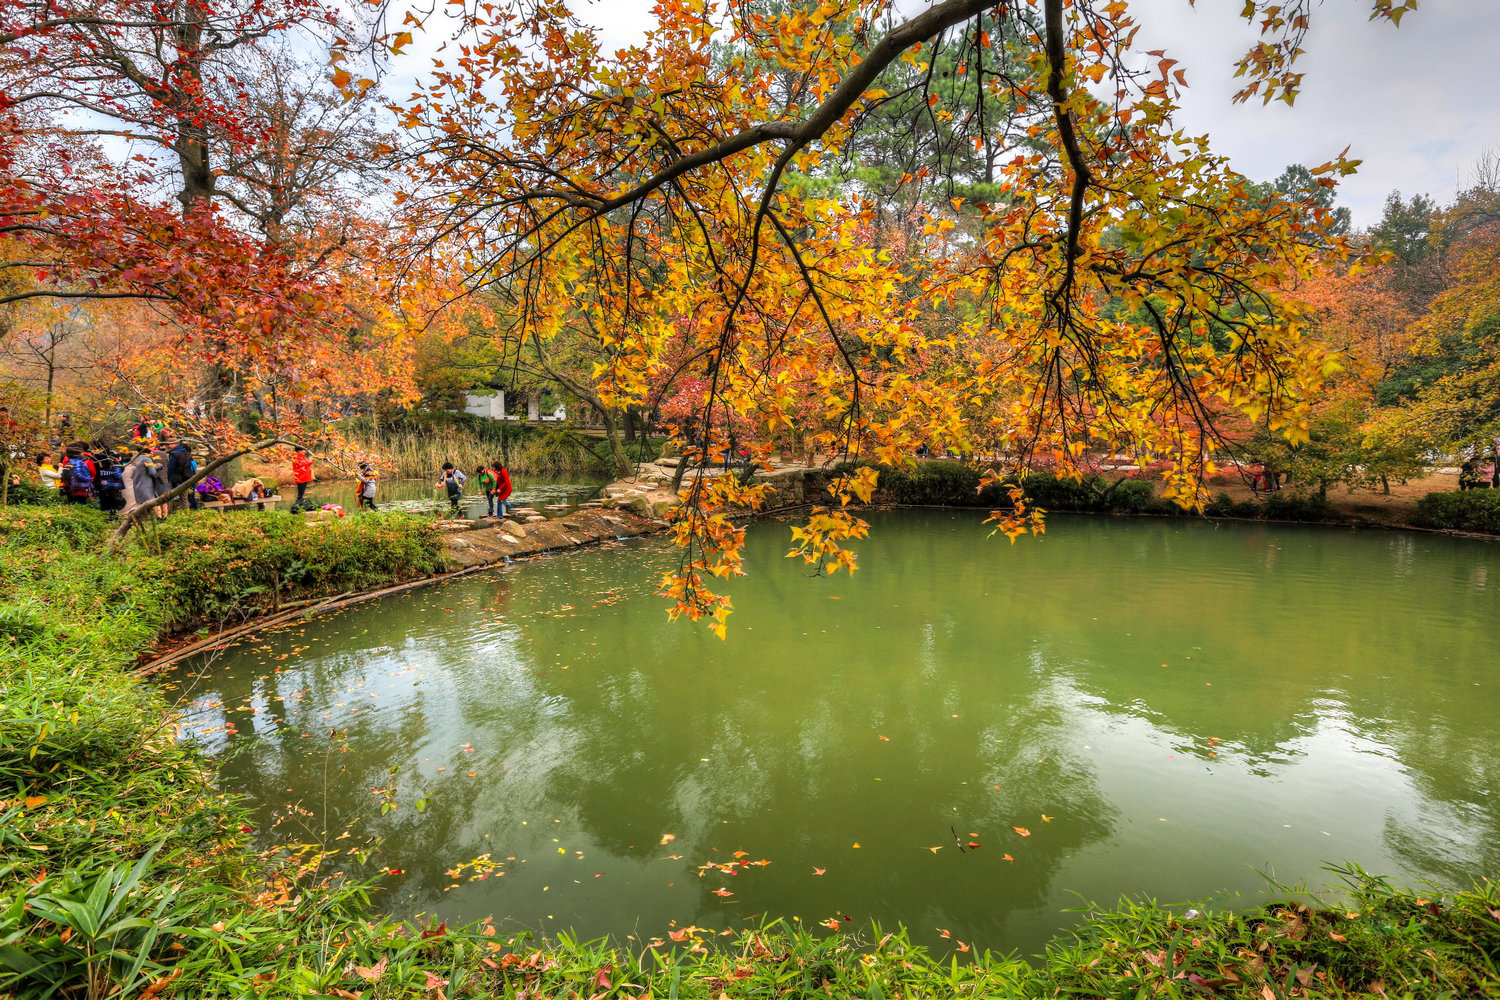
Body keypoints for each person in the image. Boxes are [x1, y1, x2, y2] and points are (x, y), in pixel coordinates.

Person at [165, 437, 199, 510]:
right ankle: (185, 513)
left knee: (171, 496)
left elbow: (171, 467)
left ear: (174, 444)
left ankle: (172, 513)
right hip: (186, 477)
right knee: (184, 498)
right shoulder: (185, 452)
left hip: (176, 478)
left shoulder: (174, 454)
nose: (168, 446)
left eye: (169, 444)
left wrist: (168, 477)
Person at [291, 446, 314, 510]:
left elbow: (307, 463)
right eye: (303, 450)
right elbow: (302, 464)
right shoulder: (295, 457)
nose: (305, 452)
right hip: (300, 478)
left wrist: (311, 460)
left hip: (305, 477)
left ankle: (299, 506)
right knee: (300, 493)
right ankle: (296, 507)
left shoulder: (303, 457)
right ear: (299, 451)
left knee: (302, 492)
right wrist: (310, 460)